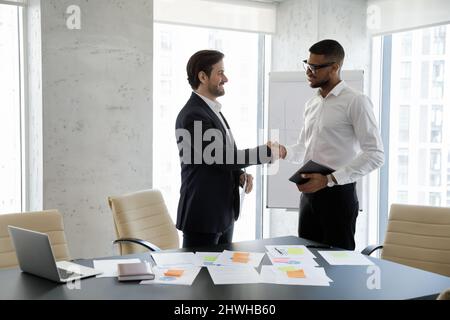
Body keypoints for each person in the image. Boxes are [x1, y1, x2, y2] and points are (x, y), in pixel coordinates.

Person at [270, 39, 384, 250]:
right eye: (307, 64)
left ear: (335, 67)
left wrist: (330, 179)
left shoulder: (356, 101)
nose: (309, 71)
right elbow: (304, 147)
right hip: (309, 195)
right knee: (306, 262)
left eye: (315, 67)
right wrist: (284, 151)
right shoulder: (312, 103)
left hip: (338, 197)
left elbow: (375, 154)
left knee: (338, 267)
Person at [175, 50, 275, 248]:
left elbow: (214, 158)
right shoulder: (194, 115)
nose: (226, 78)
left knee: (222, 277)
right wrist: (267, 152)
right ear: (202, 77)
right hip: (204, 216)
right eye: (220, 73)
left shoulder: (211, 110)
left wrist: (237, 174)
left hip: (222, 214)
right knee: (201, 278)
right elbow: (221, 158)